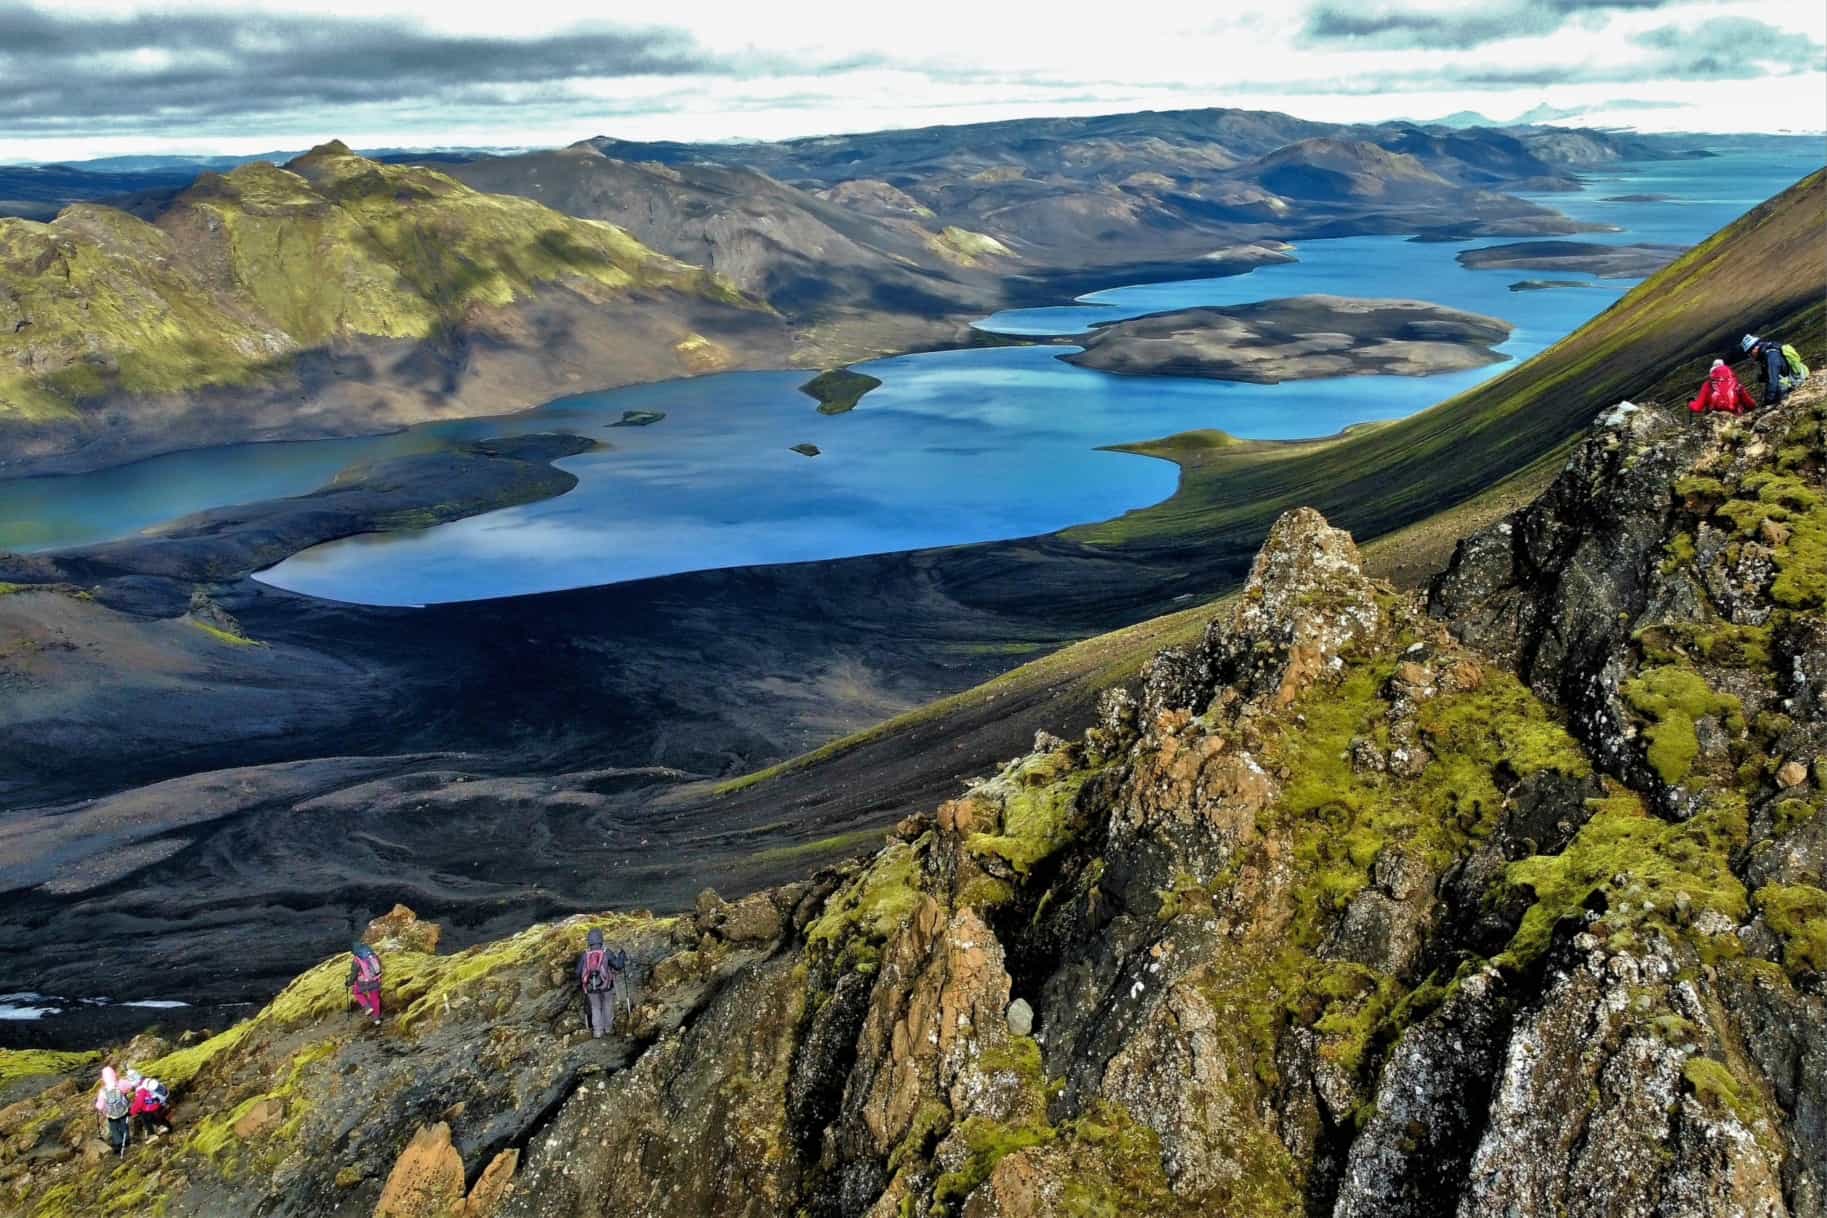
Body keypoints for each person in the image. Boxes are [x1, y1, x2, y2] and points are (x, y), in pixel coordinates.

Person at [576, 927, 626, 1039]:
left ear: (589, 941)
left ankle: (598, 1031)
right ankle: (608, 1028)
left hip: (590, 987)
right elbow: (618, 966)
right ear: (601, 939)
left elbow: (577, 972)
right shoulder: (606, 952)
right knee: (607, 1005)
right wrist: (622, 956)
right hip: (606, 985)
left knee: (595, 1007)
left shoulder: (585, 955)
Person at [1742, 334, 1798, 406]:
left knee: (1775, 392)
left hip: (1791, 382)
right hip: (1789, 378)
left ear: (1755, 348)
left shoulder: (1770, 356)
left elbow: (1772, 381)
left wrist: (1767, 401)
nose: (1750, 356)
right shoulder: (1767, 352)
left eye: (1749, 353)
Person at [1689, 358, 1755, 416]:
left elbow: (1697, 408)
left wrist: (1690, 403)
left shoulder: (1708, 385)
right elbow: (1751, 405)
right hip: (1736, 421)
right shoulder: (1736, 383)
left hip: (1715, 422)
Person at [94, 1065, 132, 1155]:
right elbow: (129, 1086)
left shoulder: (103, 1091)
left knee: (114, 1128)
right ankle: (126, 1141)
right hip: (123, 1111)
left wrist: (100, 1107)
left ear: (103, 1078)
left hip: (111, 1114)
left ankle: (118, 1143)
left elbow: (100, 1106)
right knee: (124, 1125)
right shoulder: (120, 1083)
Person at [349, 940, 384, 1025]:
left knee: (356, 992)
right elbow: (379, 965)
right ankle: (377, 1019)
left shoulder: (356, 960)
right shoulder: (373, 954)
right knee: (375, 999)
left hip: (364, 982)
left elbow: (353, 975)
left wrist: (349, 982)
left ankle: (368, 1007)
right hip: (375, 980)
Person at [130, 1074, 172, 1139]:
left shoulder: (141, 1088)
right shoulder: (147, 1081)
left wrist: (132, 1111)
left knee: (144, 1116)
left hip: (155, 1105)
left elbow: (139, 1102)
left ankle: (152, 1134)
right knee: (154, 1115)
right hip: (162, 1101)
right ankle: (167, 1127)